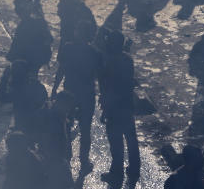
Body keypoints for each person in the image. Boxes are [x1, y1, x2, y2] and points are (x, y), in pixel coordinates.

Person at [51, 21, 102, 176]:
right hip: (87, 95)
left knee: (65, 125)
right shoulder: (95, 52)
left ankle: (66, 157)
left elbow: (62, 69)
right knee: (85, 130)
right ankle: (84, 161)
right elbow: (99, 75)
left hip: (70, 93)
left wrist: (54, 88)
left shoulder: (68, 48)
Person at [99, 30, 141, 186]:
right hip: (127, 105)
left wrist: (105, 109)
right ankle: (134, 168)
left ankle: (116, 172)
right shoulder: (127, 59)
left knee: (116, 141)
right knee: (131, 139)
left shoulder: (108, 61)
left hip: (114, 107)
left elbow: (107, 88)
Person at [7, 0, 55, 75]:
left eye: (18, 9)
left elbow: (49, 39)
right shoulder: (29, 22)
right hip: (30, 59)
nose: (16, 11)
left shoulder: (33, 23)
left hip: (30, 59)